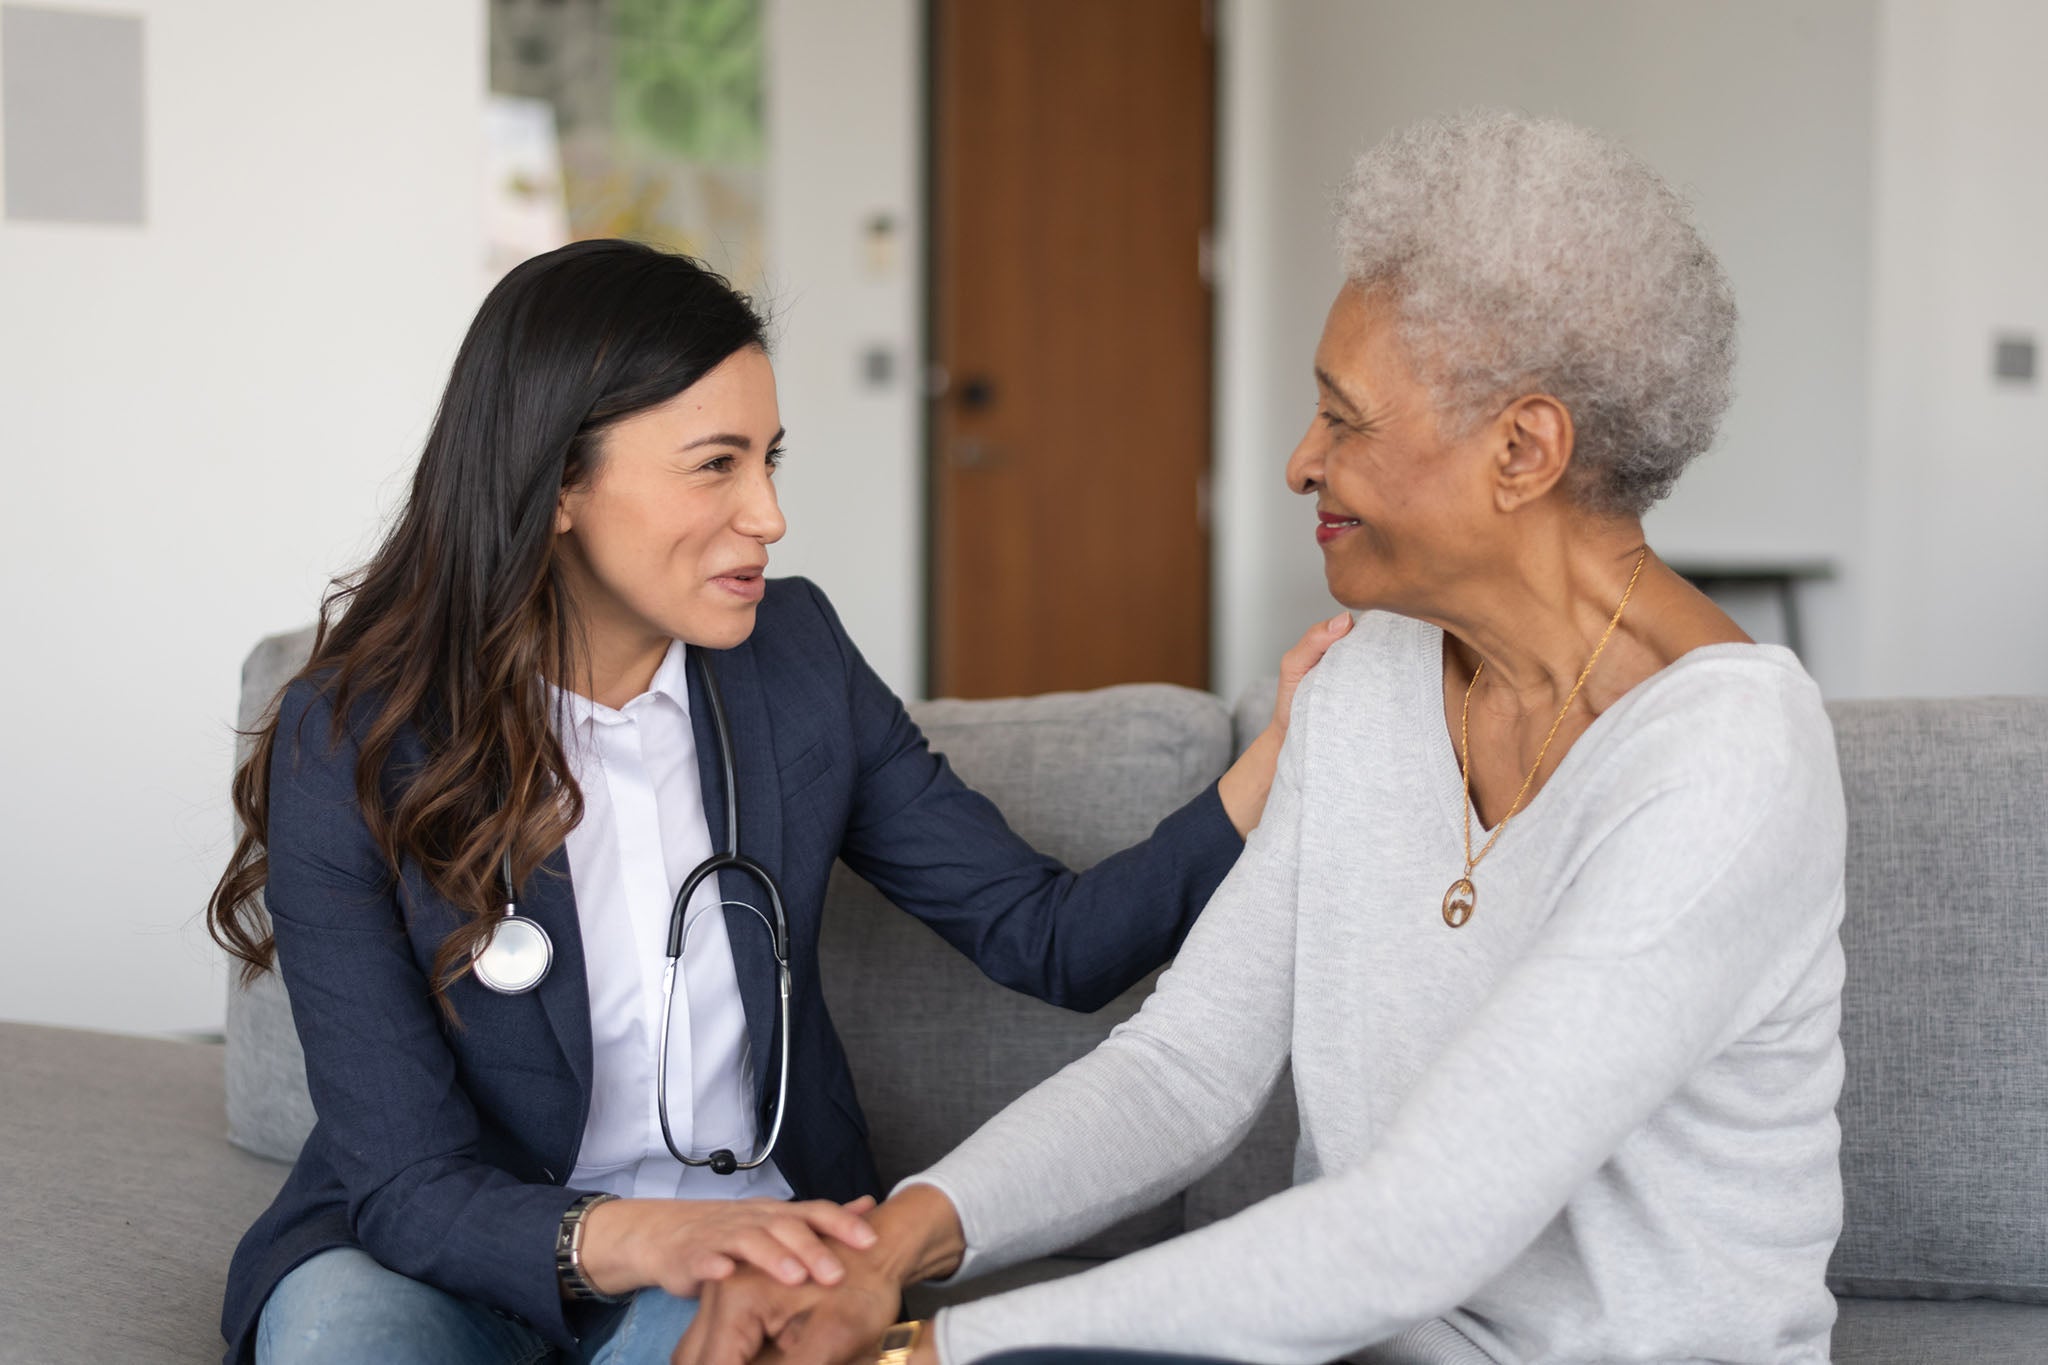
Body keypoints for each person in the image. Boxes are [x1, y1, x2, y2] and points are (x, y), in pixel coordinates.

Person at [671, 110, 1849, 1365]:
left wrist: (931, 1356)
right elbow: (1180, 1070)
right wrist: (887, 1253)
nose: (1298, 463)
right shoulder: (1367, 686)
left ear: (1522, 449)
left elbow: (1421, 1225)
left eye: (1343, 419)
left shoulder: (1724, 758)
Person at [206, 239, 1345, 1365]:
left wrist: (1267, 765)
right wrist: (639, 1237)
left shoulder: (792, 663)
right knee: (340, 1341)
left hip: (731, 1257)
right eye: (715, 465)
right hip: (436, 1258)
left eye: (770, 460)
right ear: (557, 484)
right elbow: (405, 1186)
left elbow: (1049, 941)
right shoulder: (356, 737)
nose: (767, 515)